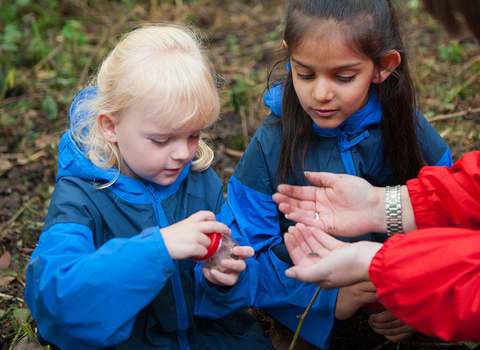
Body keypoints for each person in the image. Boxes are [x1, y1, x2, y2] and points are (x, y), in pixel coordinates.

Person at [24, 25, 274, 350]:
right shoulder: (81, 197)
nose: (184, 153)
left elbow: (221, 291)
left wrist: (222, 279)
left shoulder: (200, 181)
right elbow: (56, 307)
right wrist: (158, 249)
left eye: (194, 135)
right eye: (161, 139)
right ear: (110, 126)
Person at [226, 0, 453, 348]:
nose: (320, 94)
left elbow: (449, 226)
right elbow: (242, 249)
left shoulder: (409, 131)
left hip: (402, 300)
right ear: (289, 56)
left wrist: (420, 295)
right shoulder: (272, 144)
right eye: (304, 74)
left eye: (344, 77)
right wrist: (322, 299)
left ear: (383, 67)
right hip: (304, 312)